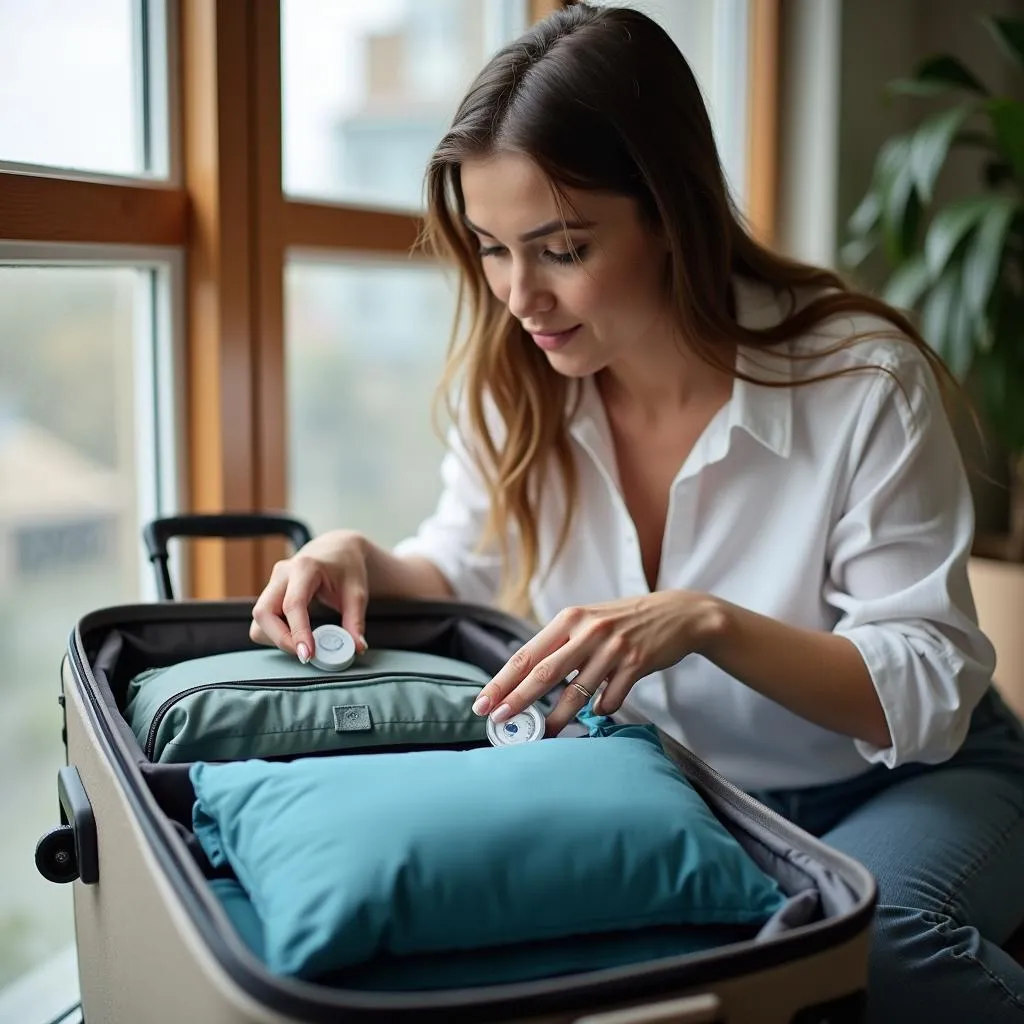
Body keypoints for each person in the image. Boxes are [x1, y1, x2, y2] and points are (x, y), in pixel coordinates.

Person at [251, 4, 1024, 1020]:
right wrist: (354, 552)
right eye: (490, 248)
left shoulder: (858, 380)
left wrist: (706, 620)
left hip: (904, 778)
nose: (519, 296)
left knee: (866, 942)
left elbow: (926, 684)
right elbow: (460, 564)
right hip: (689, 794)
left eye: (561, 247)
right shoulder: (516, 378)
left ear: (668, 212)